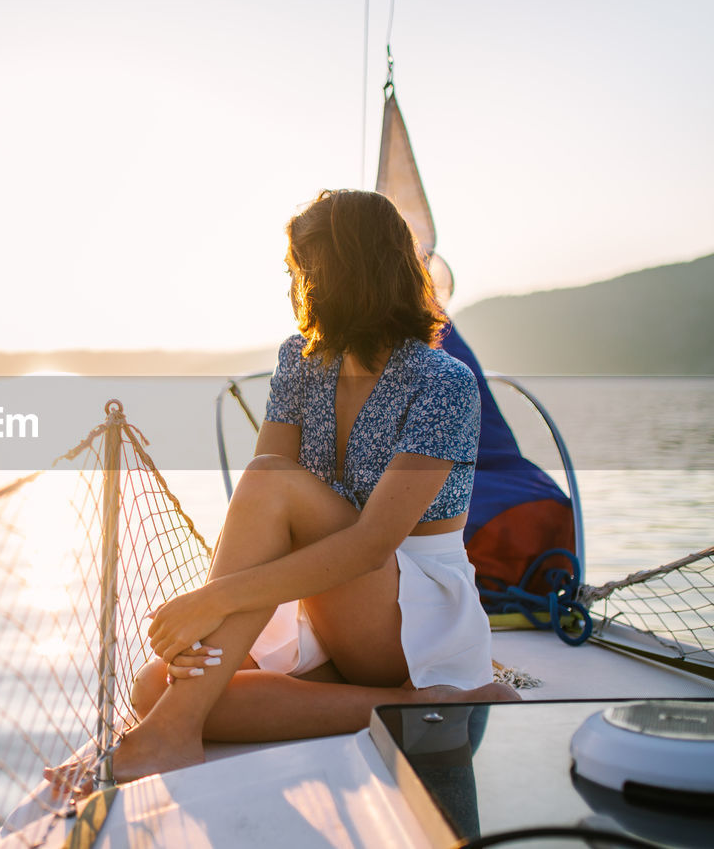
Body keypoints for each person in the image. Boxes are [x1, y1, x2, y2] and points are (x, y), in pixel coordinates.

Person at [47, 189, 518, 795]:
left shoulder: (443, 383)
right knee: (153, 688)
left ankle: (174, 735)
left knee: (271, 483)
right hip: (326, 606)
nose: (302, 285)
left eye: (310, 269)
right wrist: (214, 616)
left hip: (410, 614)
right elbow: (259, 511)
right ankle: (407, 706)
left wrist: (211, 602)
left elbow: (370, 545)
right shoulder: (301, 360)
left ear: (356, 275)